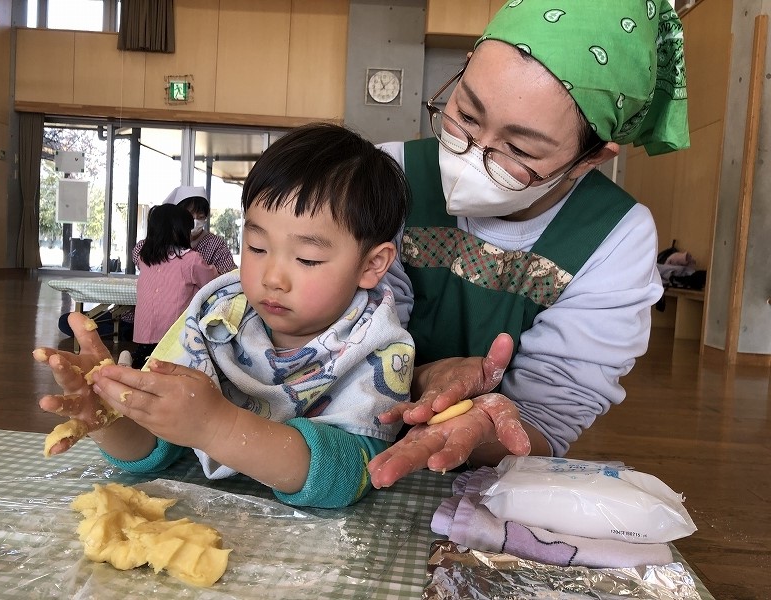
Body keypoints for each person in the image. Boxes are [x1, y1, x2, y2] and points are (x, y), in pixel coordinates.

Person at [368, 0, 690, 488]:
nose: (472, 156)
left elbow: (550, 413)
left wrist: (482, 426)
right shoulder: (384, 177)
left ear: (590, 159)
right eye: (465, 115)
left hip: (490, 477)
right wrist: (421, 376)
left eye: (519, 150)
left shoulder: (614, 237)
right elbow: (329, 332)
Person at [35, 123, 414, 509]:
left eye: (307, 259)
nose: (272, 278)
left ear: (371, 264)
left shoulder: (378, 344)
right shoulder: (219, 316)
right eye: (257, 246)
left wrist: (218, 426)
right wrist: (112, 415)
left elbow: (356, 470)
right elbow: (155, 443)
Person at [56, 187, 236, 341]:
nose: (195, 221)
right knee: (67, 321)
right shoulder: (151, 248)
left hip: (184, 318)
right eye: (190, 215)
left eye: (201, 216)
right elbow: (141, 254)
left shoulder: (214, 244)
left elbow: (228, 273)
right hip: (140, 315)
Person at [130, 203, 219, 368]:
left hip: (144, 333)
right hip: (173, 336)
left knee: (145, 367)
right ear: (180, 230)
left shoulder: (145, 257)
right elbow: (212, 281)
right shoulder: (191, 260)